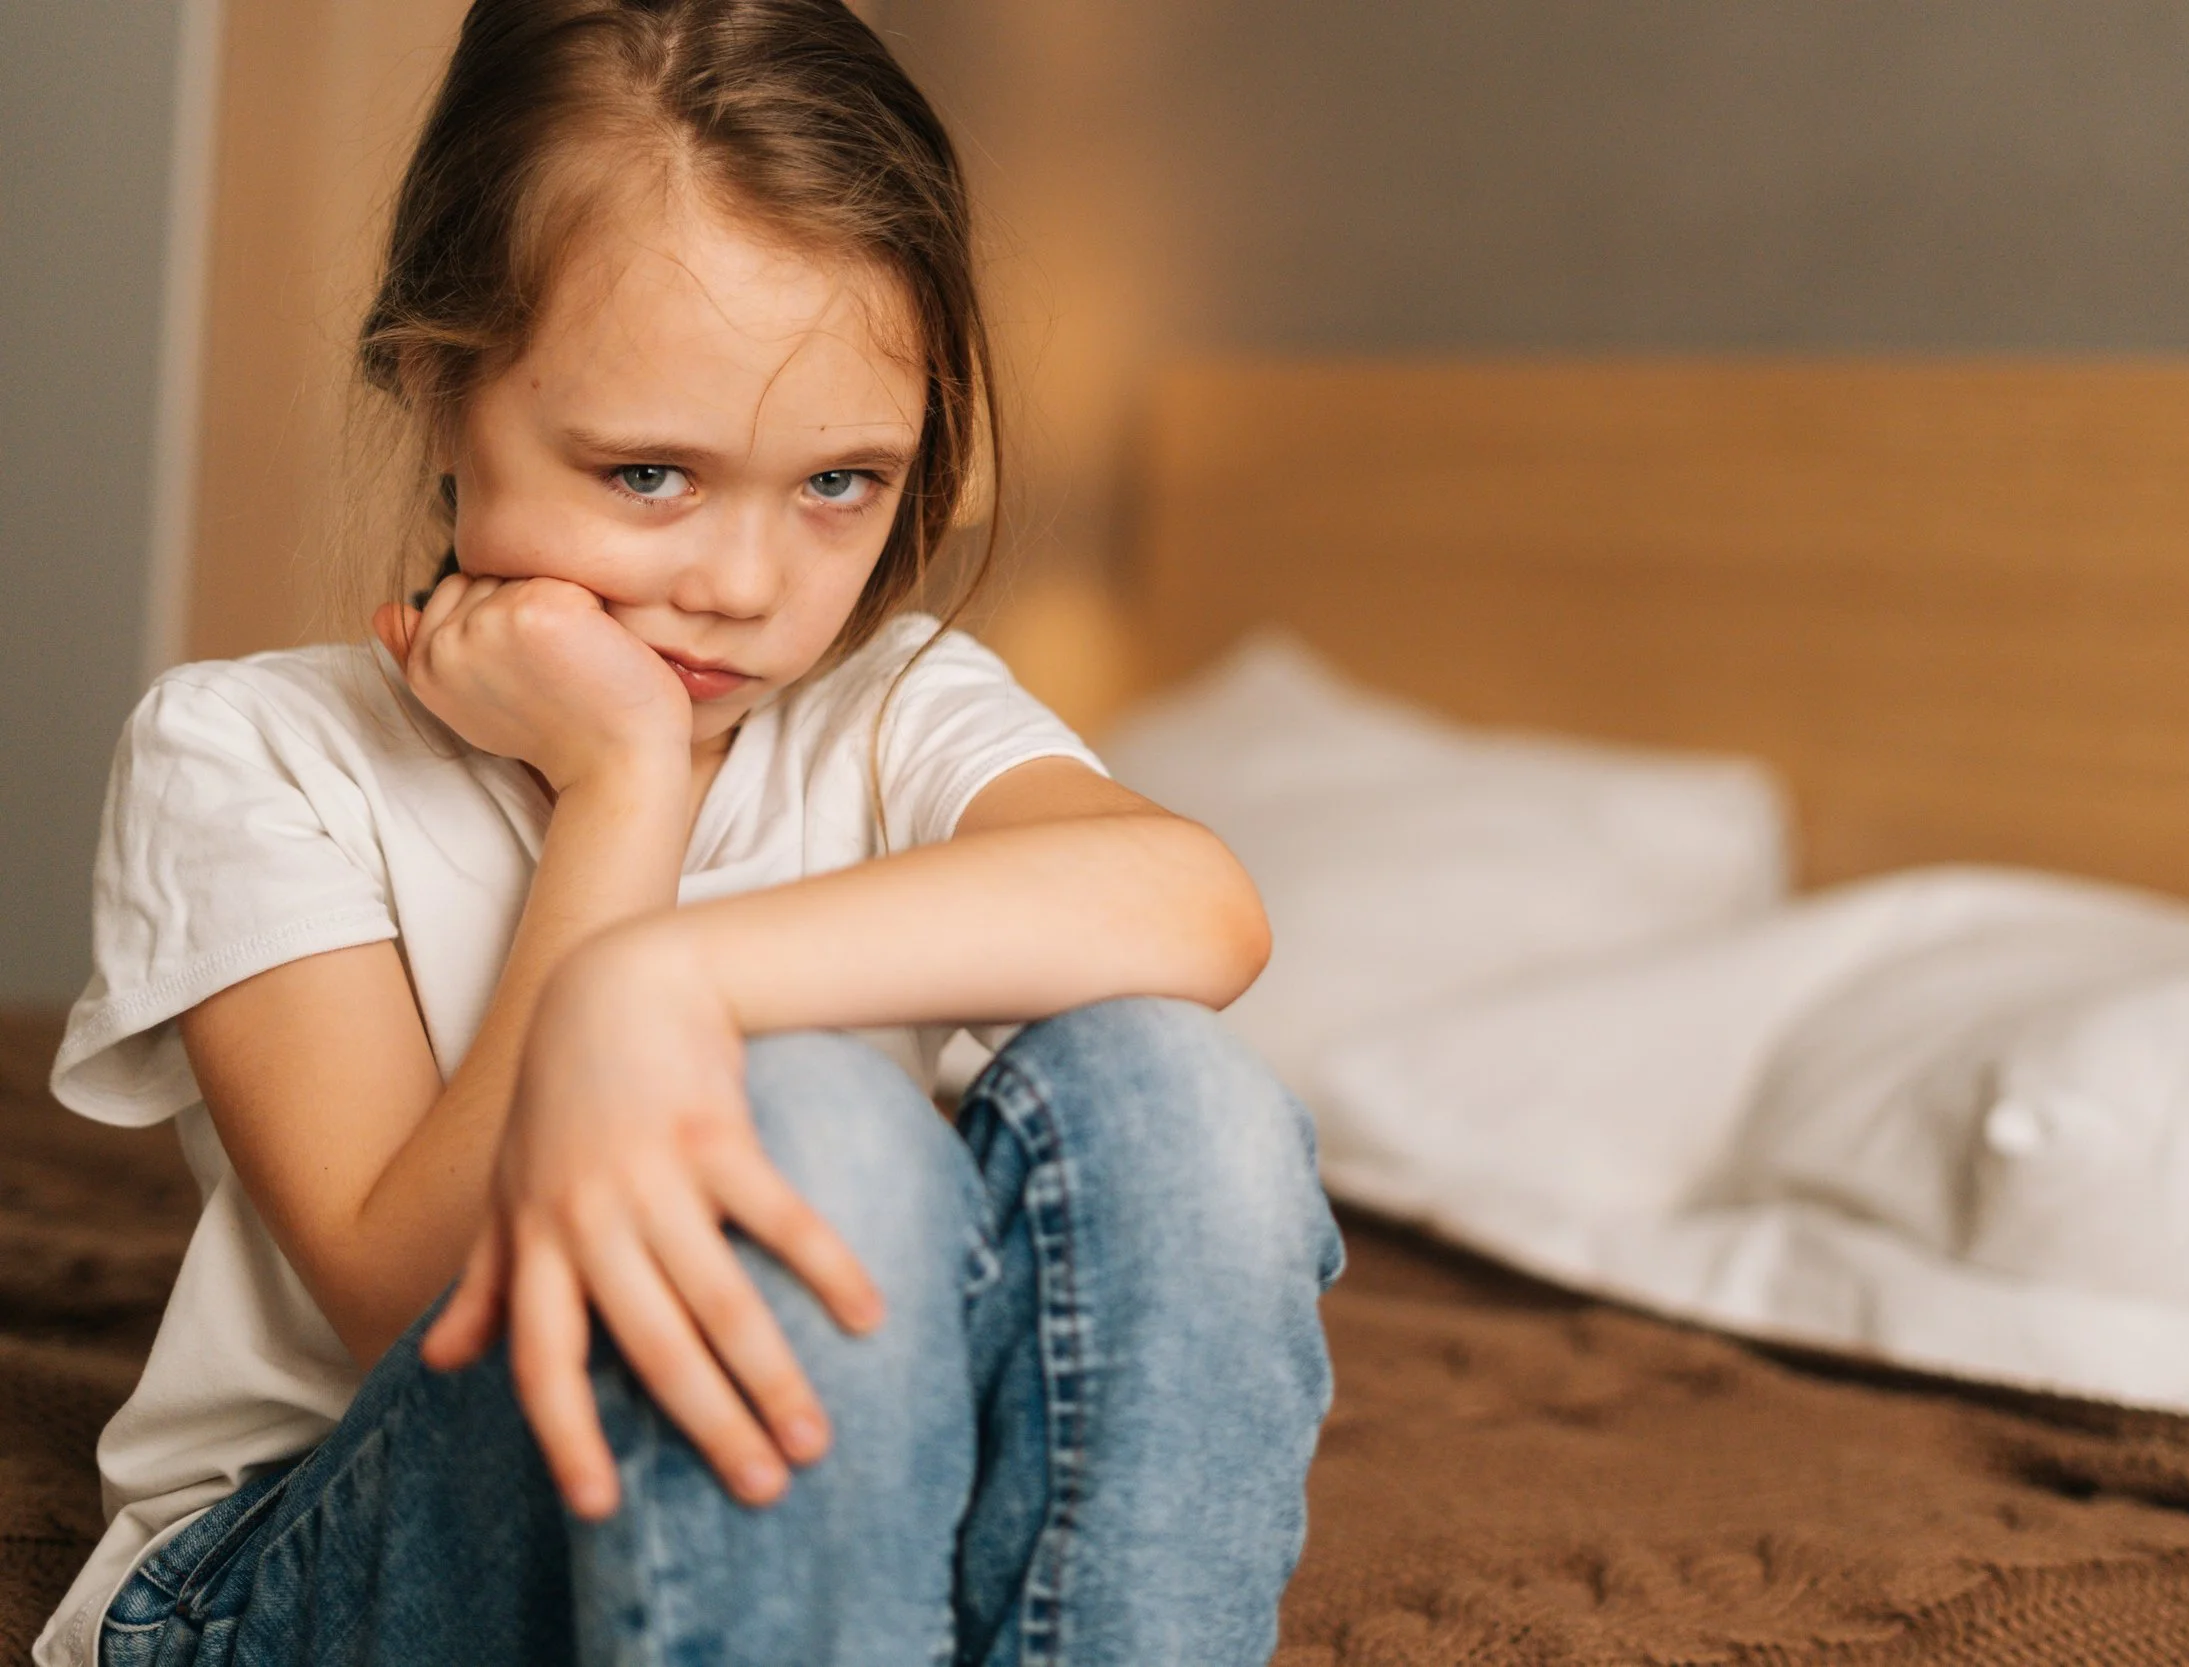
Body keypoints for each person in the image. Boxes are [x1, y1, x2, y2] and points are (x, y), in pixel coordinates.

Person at [34, 4, 1342, 1663]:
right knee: (809, 1126)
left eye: (841, 485)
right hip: (303, 1561)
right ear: (442, 388)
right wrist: (624, 789)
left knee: (1186, 1098)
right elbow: (394, 1301)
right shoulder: (253, 749)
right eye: (650, 473)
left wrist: (663, 986)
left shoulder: (896, 703)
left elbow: (1199, 904)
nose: (743, 583)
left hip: (832, 1526)